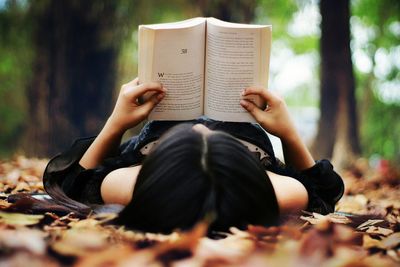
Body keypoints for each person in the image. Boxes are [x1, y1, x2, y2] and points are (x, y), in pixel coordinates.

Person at [43, 78, 344, 234]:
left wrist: (116, 124)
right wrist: (288, 133)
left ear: (161, 163)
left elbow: (71, 184)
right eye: (217, 140)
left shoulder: (132, 185)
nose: (201, 127)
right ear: (241, 162)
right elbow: (323, 192)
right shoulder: (278, 192)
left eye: (191, 137)